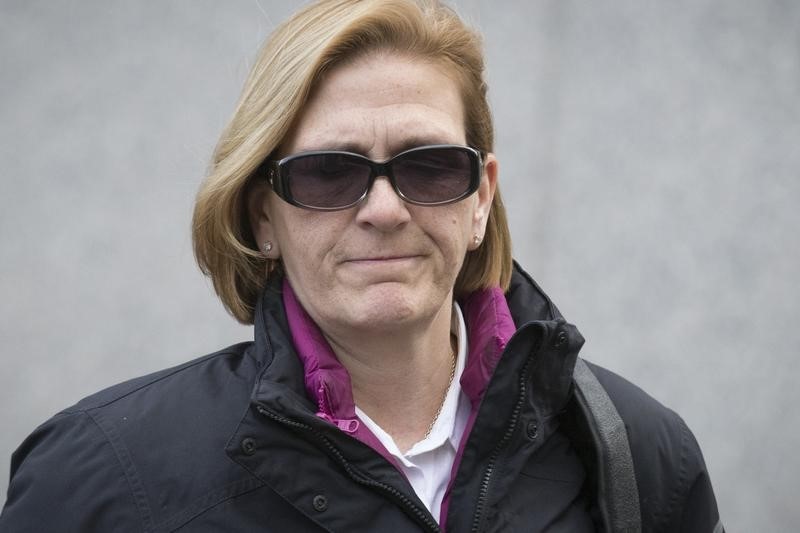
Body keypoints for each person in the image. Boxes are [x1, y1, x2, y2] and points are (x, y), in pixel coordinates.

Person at [0, 1, 723, 531]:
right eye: (327, 174)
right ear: (263, 214)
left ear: (481, 200)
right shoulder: (97, 481)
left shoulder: (641, 453)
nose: (383, 209)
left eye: (432, 166)